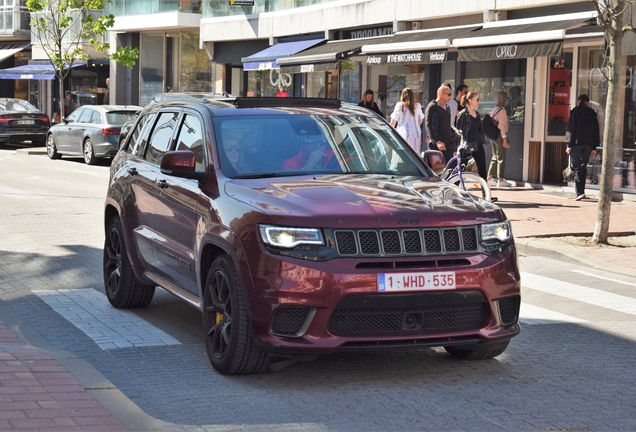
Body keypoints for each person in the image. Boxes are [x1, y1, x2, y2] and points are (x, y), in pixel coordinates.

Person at [566, 94, 599, 201]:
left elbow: (570, 129)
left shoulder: (575, 112)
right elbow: (596, 131)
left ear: (578, 101)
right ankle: (581, 191)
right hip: (588, 143)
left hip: (576, 143)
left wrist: (568, 145)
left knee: (577, 167)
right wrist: (594, 147)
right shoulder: (592, 113)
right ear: (588, 102)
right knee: (583, 167)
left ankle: (579, 192)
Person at [456, 91, 488, 180]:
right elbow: (459, 132)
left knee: (482, 170)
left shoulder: (477, 114)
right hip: (466, 145)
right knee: (460, 170)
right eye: (477, 99)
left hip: (478, 144)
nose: (479, 101)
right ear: (470, 100)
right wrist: (457, 147)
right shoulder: (463, 114)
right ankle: (454, 190)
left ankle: (485, 193)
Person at [424, 84, 455, 164]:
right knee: (436, 170)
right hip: (436, 145)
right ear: (441, 93)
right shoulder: (432, 107)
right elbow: (428, 125)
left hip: (447, 144)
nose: (450, 97)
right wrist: (437, 141)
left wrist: (453, 145)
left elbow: (448, 127)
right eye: (449, 94)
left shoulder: (447, 107)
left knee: (451, 169)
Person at [487, 91, 511, 187]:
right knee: (501, 158)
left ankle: (489, 177)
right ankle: (500, 180)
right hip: (500, 136)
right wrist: (504, 139)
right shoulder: (502, 111)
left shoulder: (494, 110)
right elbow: (501, 126)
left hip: (493, 136)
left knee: (494, 156)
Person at [390, 87, 424, 154]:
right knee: (415, 153)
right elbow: (420, 120)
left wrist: (391, 131)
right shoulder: (418, 105)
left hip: (404, 130)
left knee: (404, 152)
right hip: (416, 131)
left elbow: (393, 121)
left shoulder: (400, 105)